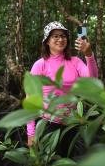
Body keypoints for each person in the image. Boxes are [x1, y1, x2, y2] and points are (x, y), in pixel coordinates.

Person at [26, 21, 98, 156]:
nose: (60, 39)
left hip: (72, 123)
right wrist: (31, 133)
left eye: (63, 36)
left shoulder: (75, 61)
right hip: (48, 124)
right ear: (47, 41)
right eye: (55, 36)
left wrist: (89, 54)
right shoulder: (40, 65)